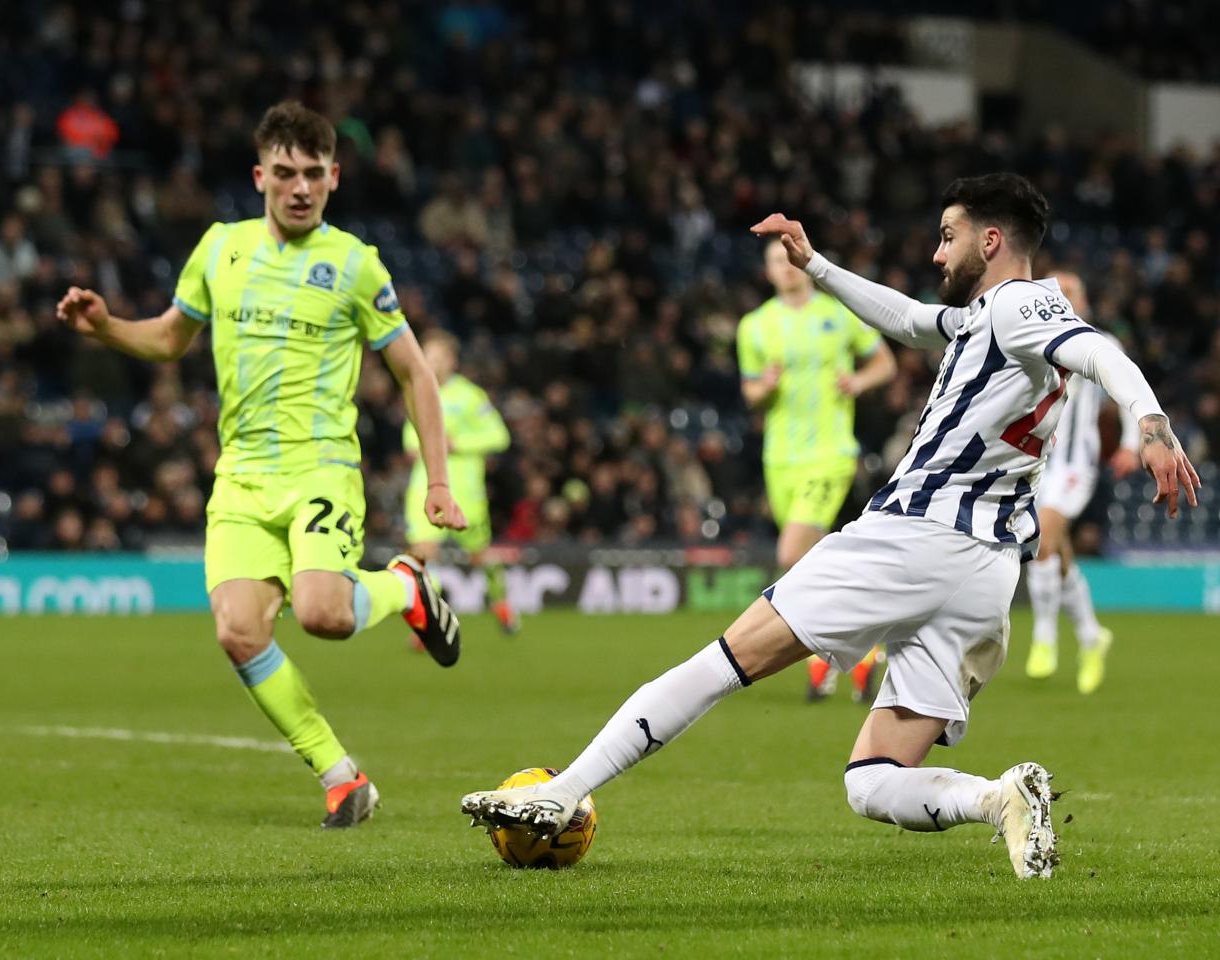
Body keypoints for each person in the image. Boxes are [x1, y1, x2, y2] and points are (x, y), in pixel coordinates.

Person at [459, 173, 1199, 879]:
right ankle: (998, 798)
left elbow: (1098, 348)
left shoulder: (1019, 306)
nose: (937, 253)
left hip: (916, 537)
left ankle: (562, 792)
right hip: (986, 573)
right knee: (872, 782)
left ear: (993, 239)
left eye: (949, 237)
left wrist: (1153, 423)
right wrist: (816, 265)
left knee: (722, 662)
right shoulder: (982, 321)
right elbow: (910, 320)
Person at [57, 101, 467, 829]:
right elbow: (168, 339)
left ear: (335, 177)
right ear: (259, 176)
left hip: (320, 469)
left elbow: (414, 373)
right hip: (242, 476)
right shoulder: (220, 249)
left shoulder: (354, 264)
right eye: (285, 173)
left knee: (323, 616)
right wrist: (105, 327)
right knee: (238, 630)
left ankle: (404, 588)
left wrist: (436, 481)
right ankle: (342, 776)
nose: (300, 187)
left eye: (314, 173)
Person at [737, 239, 896, 703]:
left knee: (791, 555)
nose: (785, 269)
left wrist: (858, 381)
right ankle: (856, 652)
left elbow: (884, 363)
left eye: (790, 260)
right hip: (780, 457)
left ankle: (831, 656)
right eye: (775, 262)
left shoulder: (839, 314)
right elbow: (748, 394)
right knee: (810, 564)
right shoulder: (755, 325)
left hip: (829, 452)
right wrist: (762, 388)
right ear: (768, 272)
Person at [1024, 271, 1141, 693]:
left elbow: (1127, 391)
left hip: (1076, 464)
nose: (1065, 295)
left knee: (1042, 540)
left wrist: (1131, 443)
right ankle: (1092, 635)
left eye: (1073, 290)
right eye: (1059, 290)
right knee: (1058, 552)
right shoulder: (1032, 338)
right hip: (1038, 462)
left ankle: (1044, 638)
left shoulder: (1101, 342)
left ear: (1085, 299)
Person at [403, 329, 519, 634]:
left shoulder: (470, 396)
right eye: (427, 355)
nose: (431, 362)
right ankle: (431, 624)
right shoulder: (418, 390)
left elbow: (499, 436)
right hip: (424, 487)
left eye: (437, 356)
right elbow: (408, 439)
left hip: (465, 492)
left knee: (481, 556)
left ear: (451, 361)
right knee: (423, 555)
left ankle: (501, 604)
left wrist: (458, 443)